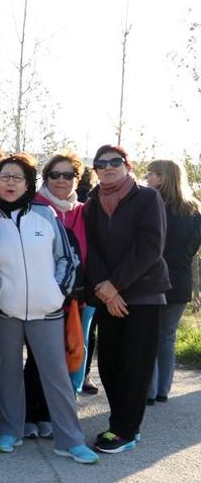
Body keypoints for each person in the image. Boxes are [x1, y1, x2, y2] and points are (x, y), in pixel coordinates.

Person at [0, 154, 98, 463]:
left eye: (17, 178)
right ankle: (9, 432)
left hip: (47, 310)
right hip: (3, 312)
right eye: (4, 177)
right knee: (6, 372)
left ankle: (70, 440)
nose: (10, 183)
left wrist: (57, 292)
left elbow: (67, 257)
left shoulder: (45, 215)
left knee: (57, 375)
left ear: (28, 183)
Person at [84, 145, 169, 454]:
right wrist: (104, 288)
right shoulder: (92, 203)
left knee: (135, 365)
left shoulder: (147, 197)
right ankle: (121, 421)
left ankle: (125, 430)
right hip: (108, 296)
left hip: (143, 294)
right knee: (109, 364)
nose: (107, 167)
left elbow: (150, 247)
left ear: (127, 165)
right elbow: (90, 249)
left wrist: (115, 284)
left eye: (114, 161)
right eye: (100, 163)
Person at [144, 159, 201, 403]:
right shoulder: (194, 209)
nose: (146, 177)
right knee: (167, 336)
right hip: (180, 280)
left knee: (147, 335)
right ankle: (163, 390)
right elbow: (193, 247)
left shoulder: (150, 204)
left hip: (152, 279)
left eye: (151, 173)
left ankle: (147, 391)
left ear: (162, 177)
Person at [33, 152, 89, 393]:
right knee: (43, 352)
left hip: (79, 293)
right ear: (46, 178)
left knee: (76, 345)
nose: (61, 180)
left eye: (68, 175)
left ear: (77, 179)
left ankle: (70, 396)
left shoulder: (86, 211)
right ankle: (39, 405)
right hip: (41, 292)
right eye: (54, 174)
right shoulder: (33, 207)